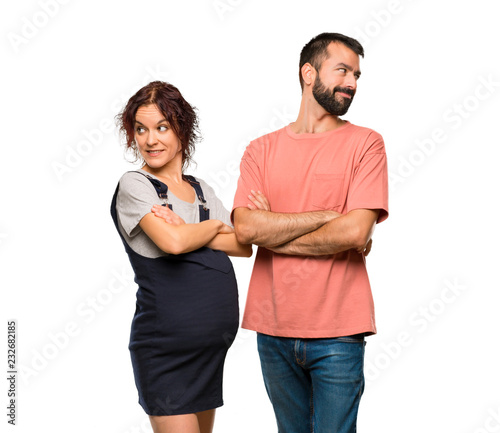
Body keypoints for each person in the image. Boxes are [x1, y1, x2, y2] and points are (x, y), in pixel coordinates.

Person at [232, 33, 389, 432]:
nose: (352, 82)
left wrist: (276, 230)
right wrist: (326, 215)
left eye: (356, 74)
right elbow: (246, 227)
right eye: (342, 70)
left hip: (338, 333)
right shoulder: (260, 149)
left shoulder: (366, 144)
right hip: (273, 329)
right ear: (308, 73)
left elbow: (354, 232)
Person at [110, 81, 252, 433]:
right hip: (166, 355)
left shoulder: (202, 190)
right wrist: (215, 226)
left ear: (181, 128)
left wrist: (192, 231)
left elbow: (243, 246)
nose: (150, 140)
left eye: (161, 127)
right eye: (140, 129)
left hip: (207, 356)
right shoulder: (136, 186)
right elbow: (172, 242)